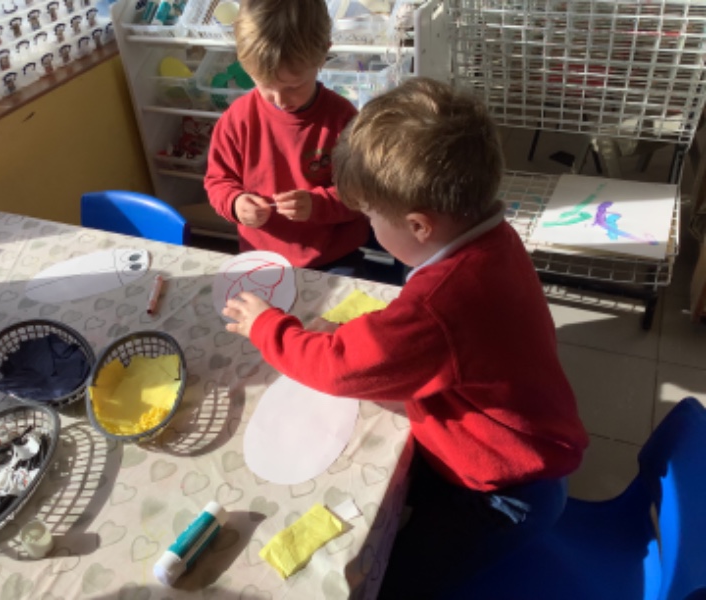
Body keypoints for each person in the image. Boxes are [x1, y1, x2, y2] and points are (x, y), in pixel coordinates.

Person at [221, 77, 589, 597]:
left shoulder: (441, 305)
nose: (369, 226)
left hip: (502, 496)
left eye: (371, 216)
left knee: (393, 580)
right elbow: (419, 341)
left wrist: (267, 326)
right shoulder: (493, 237)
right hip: (518, 453)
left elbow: (342, 367)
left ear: (419, 226)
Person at [204, 0, 370, 275]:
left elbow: (362, 194)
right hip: (261, 258)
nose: (281, 100)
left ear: (323, 55)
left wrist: (317, 205)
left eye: (294, 87)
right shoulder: (237, 120)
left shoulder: (343, 119)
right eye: (266, 86)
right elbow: (218, 182)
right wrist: (235, 203)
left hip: (334, 257)